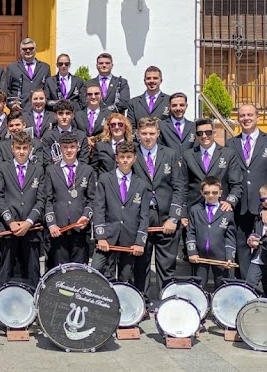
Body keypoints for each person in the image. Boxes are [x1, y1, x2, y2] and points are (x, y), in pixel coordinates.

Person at [227, 104, 267, 278]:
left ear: (258, 117)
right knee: (243, 249)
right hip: (241, 207)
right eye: (242, 115)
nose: (246, 118)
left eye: (250, 115)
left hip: (265, 207)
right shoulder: (231, 144)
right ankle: (247, 288)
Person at [91, 142, 151, 299]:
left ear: (134, 159)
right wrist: (101, 236)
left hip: (129, 239)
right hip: (107, 238)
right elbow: (99, 209)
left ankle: (125, 310)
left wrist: (140, 242)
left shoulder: (141, 184)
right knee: (98, 271)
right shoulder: (105, 179)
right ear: (116, 158)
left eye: (129, 157)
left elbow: (144, 216)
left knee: (126, 277)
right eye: (122, 157)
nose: (125, 160)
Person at [134, 117, 187, 289]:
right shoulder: (132, 154)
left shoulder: (170, 154)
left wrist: (174, 217)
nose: (148, 137)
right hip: (141, 218)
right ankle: (143, 303)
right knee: (141, 266)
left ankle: (166, 302)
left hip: (166, 216)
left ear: (158, 133)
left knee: (167, 266)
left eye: (151, 133)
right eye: (144, 133)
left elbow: (179, 186)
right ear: (137, 134)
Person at [0, 131, 45, 288]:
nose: (21, 151)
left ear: (30, 148)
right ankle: (0, 304)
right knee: (5, 270)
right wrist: (11, 222)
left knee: (33, 271)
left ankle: (35, 304)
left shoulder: (38, 169)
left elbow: (41, 199)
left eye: (24, 148)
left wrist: (29, 222)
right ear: (12, 148)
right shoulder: (2, 168)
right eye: (18, 148)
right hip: (10, 228)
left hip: (31, 229)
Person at [42, 134, 94, 269]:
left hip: (80, 229)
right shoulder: (51, 170)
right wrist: (52, 224)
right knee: (60, 270)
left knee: (79, 270)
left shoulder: (87, 170)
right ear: (60, 148)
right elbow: (48, 200)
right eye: (65, 147)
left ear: (78, 148)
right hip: (59, 229)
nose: (69, 150)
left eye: (72, 147)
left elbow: (92, 199)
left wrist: (86, 216)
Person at [185, 177, 238, 290]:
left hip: (221, 256)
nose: (210, 195)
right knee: (198, 286)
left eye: (214, 192)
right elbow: (190, 232)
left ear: (220, 193)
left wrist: (229, 257)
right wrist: (192, 252)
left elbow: (230, 237)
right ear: (201, 193)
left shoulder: (227, 212)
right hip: (200, 255)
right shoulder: (195, 210)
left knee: (222, 286)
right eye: (207, 193)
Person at [181, 118, 244, 212]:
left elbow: (237, 184)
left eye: (208, 132)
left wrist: (230, 202)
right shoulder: (188, 155)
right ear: (196, 135)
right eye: (200, 133)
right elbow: (182, 186)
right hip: (195, 209)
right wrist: (182, 212)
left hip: (221, 209)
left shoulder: (228, 154)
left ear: (214, 132)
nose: (204, 136)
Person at [5, 38, 51, 114]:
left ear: (35, 49)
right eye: (25, 49)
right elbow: (6, 89)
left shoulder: (45, 67)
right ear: (20, 51)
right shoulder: (12, 68)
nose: (28, 51)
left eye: (31, 48)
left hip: (39, 110)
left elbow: (48, 89)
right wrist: (12, 104)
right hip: (18, 111)